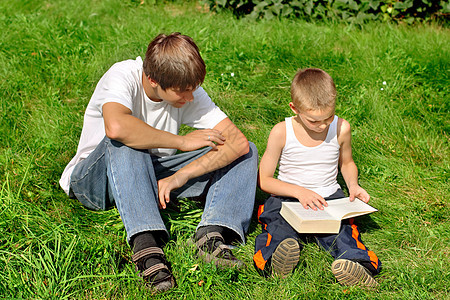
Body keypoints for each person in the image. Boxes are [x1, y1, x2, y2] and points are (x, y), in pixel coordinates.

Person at [59, 32, 258, 293]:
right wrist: (182, 142)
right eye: (182, 92)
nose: (189, 98)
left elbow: (236, 142)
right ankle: (146, 244)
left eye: (193, 89)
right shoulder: (122, 75)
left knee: (248, 151)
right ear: (153, 79)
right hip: (95, 181)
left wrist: (180, 177)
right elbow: (117, 127)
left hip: (151, 173)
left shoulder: (187, 89)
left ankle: (211, 233)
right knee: (126, 138)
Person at [253, 68, 381, 287]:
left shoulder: (341, 128)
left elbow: (347, 162)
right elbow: (264, 180)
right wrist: (299, 192)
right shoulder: (281, 131)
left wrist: (353, 185)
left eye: (328, 117)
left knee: (343, 232)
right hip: (287, 197)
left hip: (328, 198)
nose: (323, 125)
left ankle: (356, 264)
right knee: (277, 226)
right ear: (294, 108)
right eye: (314, 121)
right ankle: (277, 259)